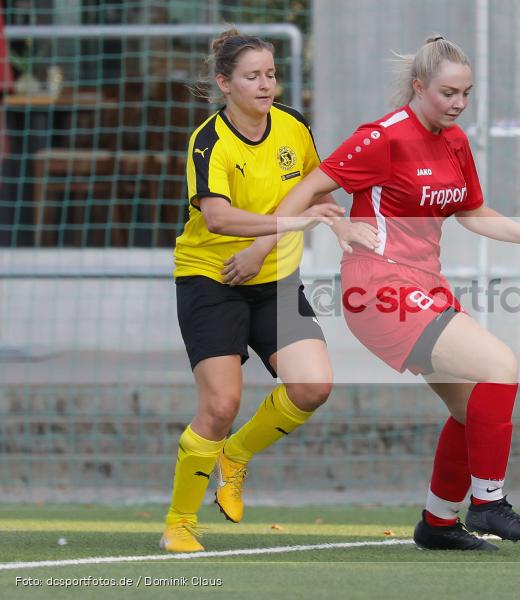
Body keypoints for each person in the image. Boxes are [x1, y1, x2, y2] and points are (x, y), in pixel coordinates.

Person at [213, 36, 520, 551]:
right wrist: (262, 245)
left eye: (466, 94)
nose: (458, 104)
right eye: (449, 93)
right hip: (378, 288)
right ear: (419, 85)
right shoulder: (382, 136)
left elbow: (471, 211)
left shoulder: (453, 140)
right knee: (502, 365)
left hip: (424, 285)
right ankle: (489, 503)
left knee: (472, 410)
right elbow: (310, 187)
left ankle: (439, 523)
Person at [160, 28, 346, 553]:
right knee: (221, 405)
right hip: (211, 280)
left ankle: (236, 455)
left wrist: (278, 239)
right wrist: (292, 224)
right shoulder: (208, 141)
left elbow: (315, 187)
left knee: (312, 386)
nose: (265, 85)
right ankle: (179, 523)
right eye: (252, 76)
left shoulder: (293, 126)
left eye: (270, 74)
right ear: (225, 83)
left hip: (274, 278)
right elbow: (217, 218)